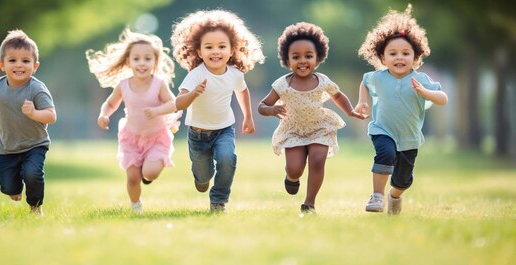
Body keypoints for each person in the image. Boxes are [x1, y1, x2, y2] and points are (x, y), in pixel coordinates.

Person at [258, 22, 369, 214]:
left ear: (317, 58)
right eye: (296, 57)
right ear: (287, 60)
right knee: (295, 168)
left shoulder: (322, 81)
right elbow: (262, 105)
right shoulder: (282, 84)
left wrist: (350, 111)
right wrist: (272, 110)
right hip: (293, 130)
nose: (303, 61)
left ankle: (309, 203)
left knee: (318, 161)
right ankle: (292, 178)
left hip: (320, 127)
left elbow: (337, 96)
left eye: (308, 56)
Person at [355, 4, 448, 215]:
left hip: (409, 137)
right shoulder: (378, 77)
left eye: (405, 53)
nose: (399, 57)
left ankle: (394, 195)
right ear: (382, 57)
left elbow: (443, 98)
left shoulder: (420, 79)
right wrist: (362, 102)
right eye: (393, 53)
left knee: (404, 180)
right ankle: (377, 195)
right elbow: (365, 83)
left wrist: (426, 93)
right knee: (384, 155)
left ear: (415, 57)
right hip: (383, 130)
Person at [170, 9, 265, 213]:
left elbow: (242, 91)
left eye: (222, 46)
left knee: (228, 159)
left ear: (232, 50)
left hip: (224, 129)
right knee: (203, 177)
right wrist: (193, 94)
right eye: (209, 47)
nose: (216, 51)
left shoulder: (234, 74)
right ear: (198, 51)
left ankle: (219, 201)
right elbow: (179, 103)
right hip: (198, 134)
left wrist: (248, 117)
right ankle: (202, 179)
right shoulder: (196, 75)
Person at [86, 28, 181, 214]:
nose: (142, 63)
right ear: (128, 61)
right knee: (132, 178)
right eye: (136, 59)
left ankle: (149, 172)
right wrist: (104, 115)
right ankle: (136, 206)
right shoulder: (124, 85)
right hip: (131, 138)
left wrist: (157, 111)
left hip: (157, 137)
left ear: (155, 62)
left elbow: (174, 103)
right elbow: (110, 103)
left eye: (147, 58)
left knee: (149, 172)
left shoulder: (158, 84)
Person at [0, 30, 56, 216]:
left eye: (25, 61)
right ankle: (14, 188)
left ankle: (35, 206)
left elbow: (51, 115)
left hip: (35, 144)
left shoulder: (37, 88)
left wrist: (34, 113)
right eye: (12, 60)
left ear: (35, 66)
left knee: (33, 174)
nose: (19, 65)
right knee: (9, 187)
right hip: (7, 148)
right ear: (2, 64)